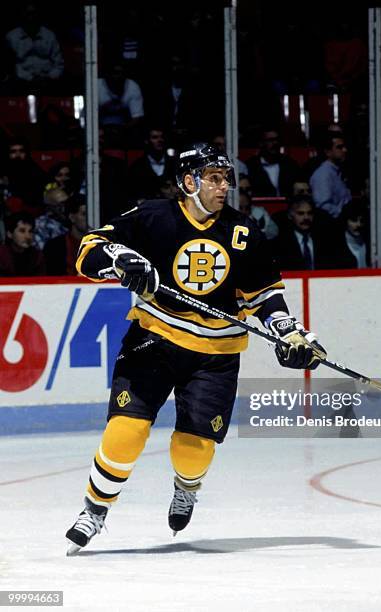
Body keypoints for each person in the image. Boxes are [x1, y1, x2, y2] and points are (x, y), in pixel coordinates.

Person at [65, 143, 326, 554]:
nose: (224, 187)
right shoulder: (154, 216)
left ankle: (186, 488)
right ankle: (95, 510)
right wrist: (121, 261)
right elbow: (90, 248)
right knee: (126, 431)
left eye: (227, 180)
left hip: (216, 355)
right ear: (189, 182)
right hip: (155, 338)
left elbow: (264, 296)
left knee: (193, 451)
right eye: (215, 178)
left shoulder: (243, 232)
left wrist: (288, 331)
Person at [5, 2, 64, 92]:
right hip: (21, 83)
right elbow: (11, 66)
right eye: (28, 14)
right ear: (23, 15)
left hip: (49, 83)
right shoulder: (12, 37)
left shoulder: (50, 36)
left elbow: (58, 64)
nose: (31, 18)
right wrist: (30, 78)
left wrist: (50, 77)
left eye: (33, 14)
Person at [127, 126, 176, 201]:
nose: (160, 140)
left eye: (161, 137)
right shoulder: (137, 166)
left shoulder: (174, 163)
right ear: (147, 141)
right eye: (155, 137)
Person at [309, 132, 351, 218]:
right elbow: (322, 206)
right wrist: (343, 214)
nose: (345, 150)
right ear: (328, 152)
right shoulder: (323, 174)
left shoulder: (338, 172)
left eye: (344, 147)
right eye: (339, 147)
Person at [43, 198, 88, 275]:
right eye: (84, 214)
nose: (89, 218)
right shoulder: (54, 247)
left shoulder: (102, 245)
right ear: (72, 218)